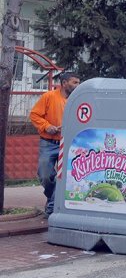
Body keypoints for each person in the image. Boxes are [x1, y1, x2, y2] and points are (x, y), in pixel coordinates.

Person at [29, 71, 81, 217]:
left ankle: (52, 207)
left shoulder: (78, 101)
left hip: (70, 143)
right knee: (44, 174)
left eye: (78, 82)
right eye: (74, 82)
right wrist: (47, 126)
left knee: (65, 176)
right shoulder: (49, 96)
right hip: (48, 142)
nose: (78, 85)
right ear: (64, 83)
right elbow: (34, 115)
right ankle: (53, 198)